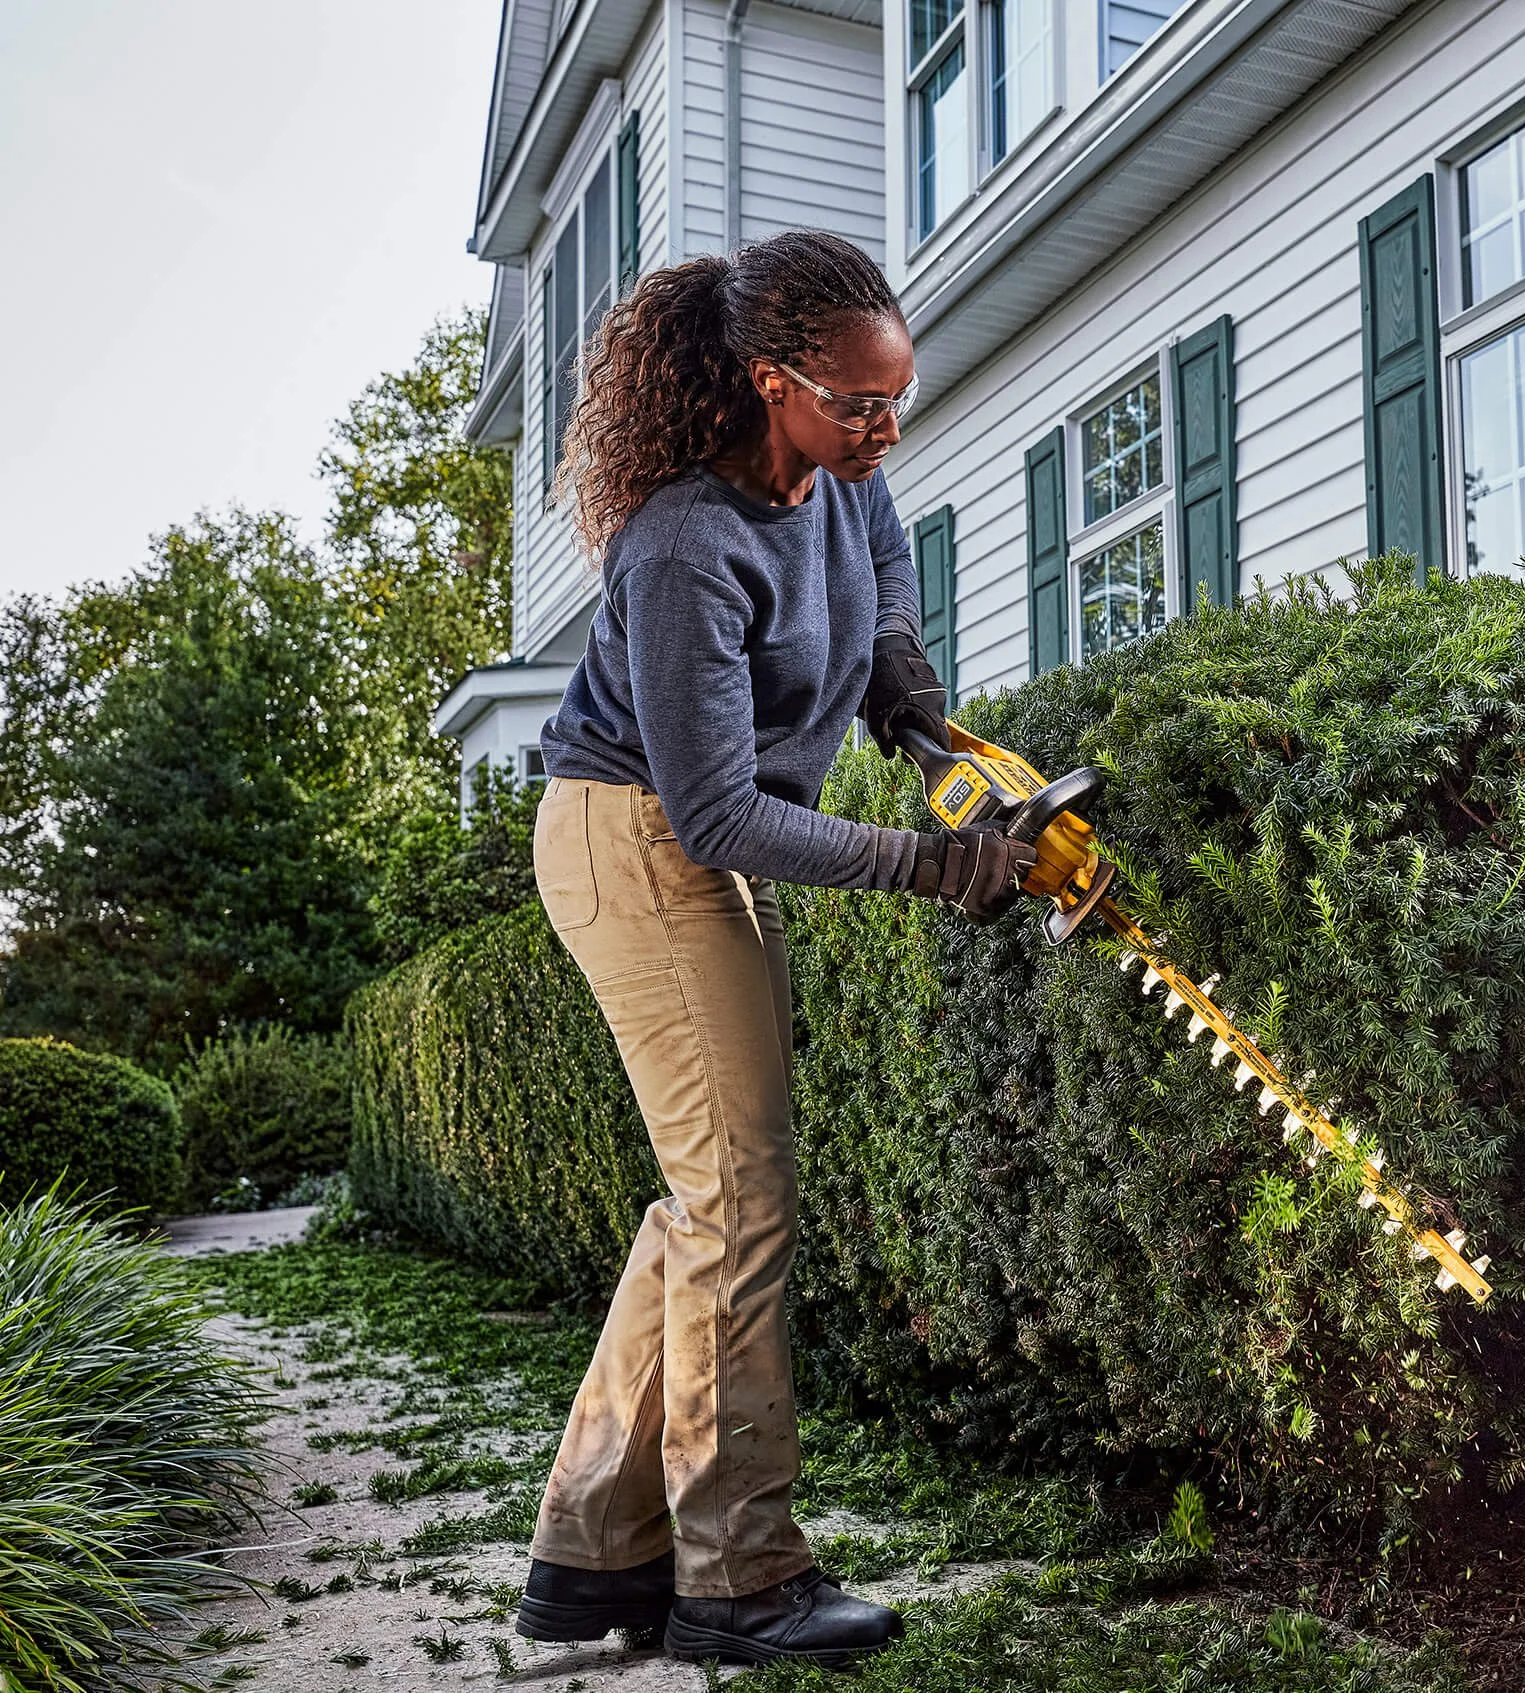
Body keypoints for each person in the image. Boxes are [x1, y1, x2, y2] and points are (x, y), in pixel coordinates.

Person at [508, 229, 1033, 1667]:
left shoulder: (842, 479)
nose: (884, 428)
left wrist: (915, 705)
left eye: (898, 399)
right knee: (738, 1201)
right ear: (767, 380)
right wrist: (930, 864)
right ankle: (738, 1577)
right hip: (634, 843)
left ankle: (590, 1557)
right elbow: (722, 811)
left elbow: (887, 572)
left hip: (686, 844)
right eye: (856, 402)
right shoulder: (683, 543)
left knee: (706, 1201)